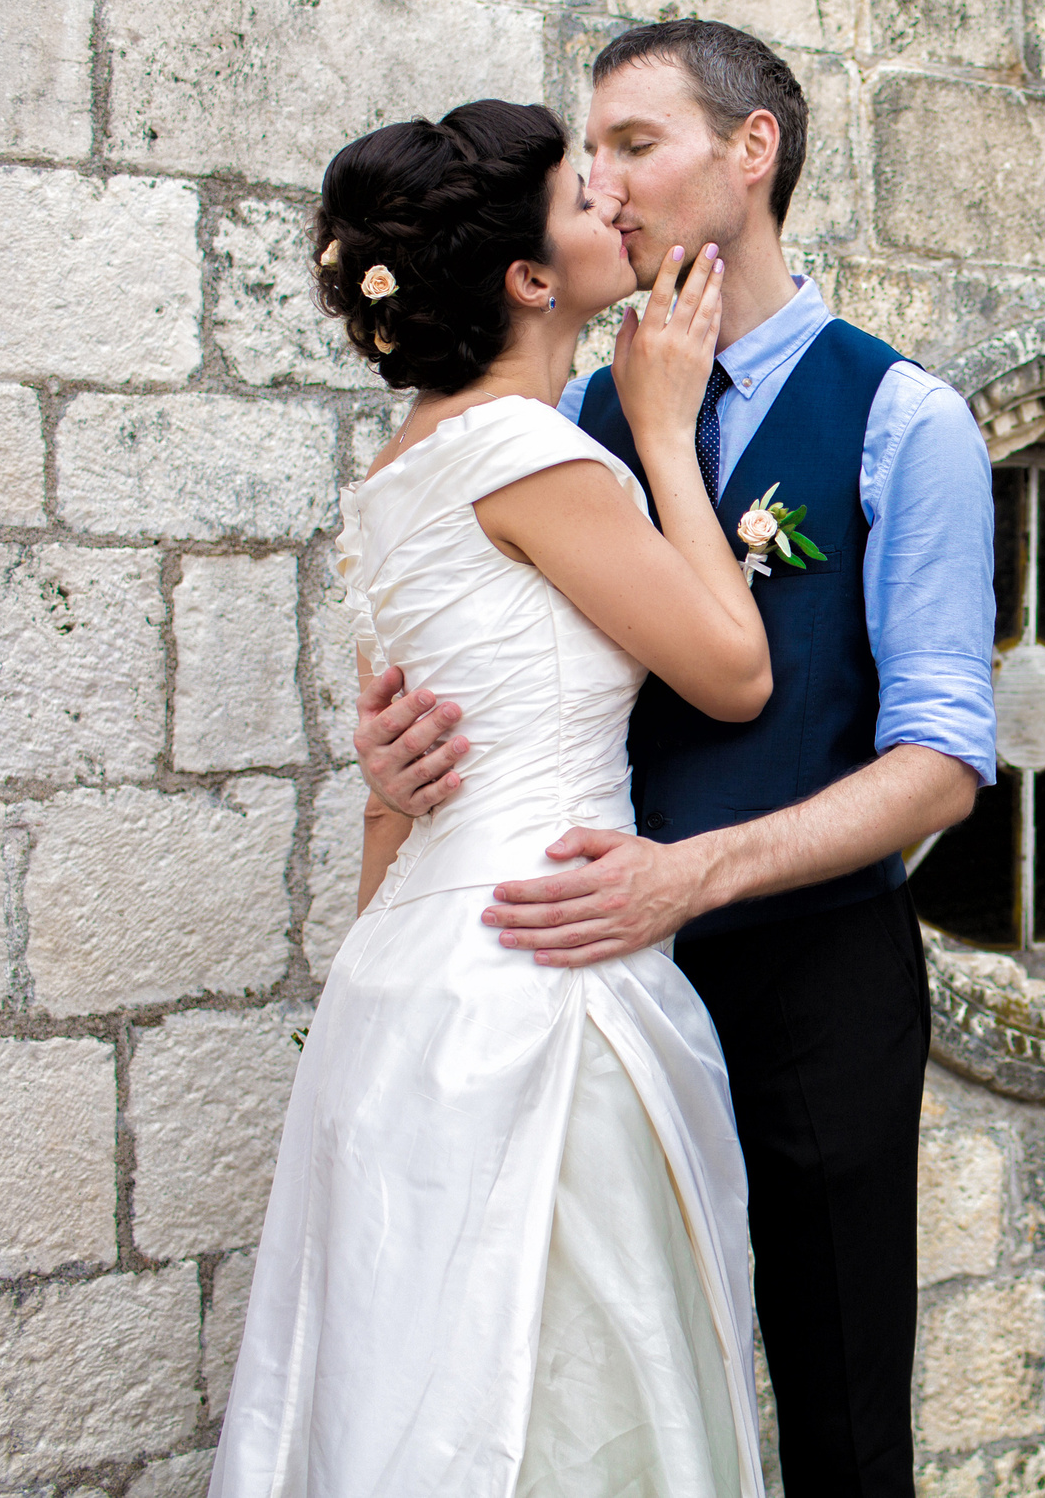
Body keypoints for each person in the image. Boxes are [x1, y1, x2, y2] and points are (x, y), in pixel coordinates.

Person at [352, 21, 999, 1497]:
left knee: (841, 1423)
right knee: (610, 1402)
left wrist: (694, 874)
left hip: (811, 980)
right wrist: (397, 754)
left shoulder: (905, 420)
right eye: (590, 157)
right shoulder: (561, 420)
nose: (605, 184)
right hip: (588, 983)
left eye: (635, 146)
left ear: (751, 151)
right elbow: (493, 665)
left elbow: (944, 762)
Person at [211, 99, 772, 1497]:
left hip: (404, 981)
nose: (615, 205)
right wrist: (664, 431)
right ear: (530, 279)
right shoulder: (536, 456)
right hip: (542, 970)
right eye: (585, 199)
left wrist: (375, 923)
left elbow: (402, 785)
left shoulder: (395, 474)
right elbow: (733, 674)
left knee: (407, 1370)